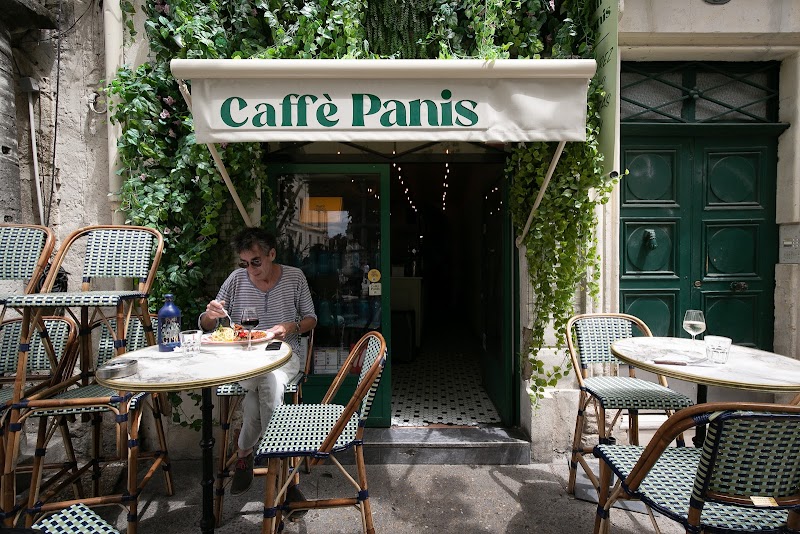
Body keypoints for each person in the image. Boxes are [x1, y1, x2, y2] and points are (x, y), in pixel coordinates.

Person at [199, 228, 317, 497]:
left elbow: (311, 319)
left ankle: (244, 451)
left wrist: (289, 326)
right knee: (268, 381)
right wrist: (209, 314)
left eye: (256, 261)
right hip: (245, 359)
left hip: (284, 354)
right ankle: (284, 476)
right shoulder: (236, 280)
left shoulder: (294, 278)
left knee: (267, 382)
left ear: (271, 254)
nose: (250, 269)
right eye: (244, 263)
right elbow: (207, 323)